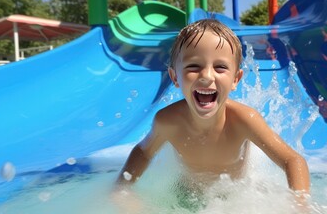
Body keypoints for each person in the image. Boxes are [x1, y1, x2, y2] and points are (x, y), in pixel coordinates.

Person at [114, 19, 310, 209]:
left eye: (220, 67)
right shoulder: (168, 122)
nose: (207, 76)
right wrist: (122, 189)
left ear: (236, 79)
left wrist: (299, 204)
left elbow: (292, 160)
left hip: (236, 197)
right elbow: (143, 152)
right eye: (193, 66)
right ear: (175, 77)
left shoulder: (244, 121)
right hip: (184, 194)